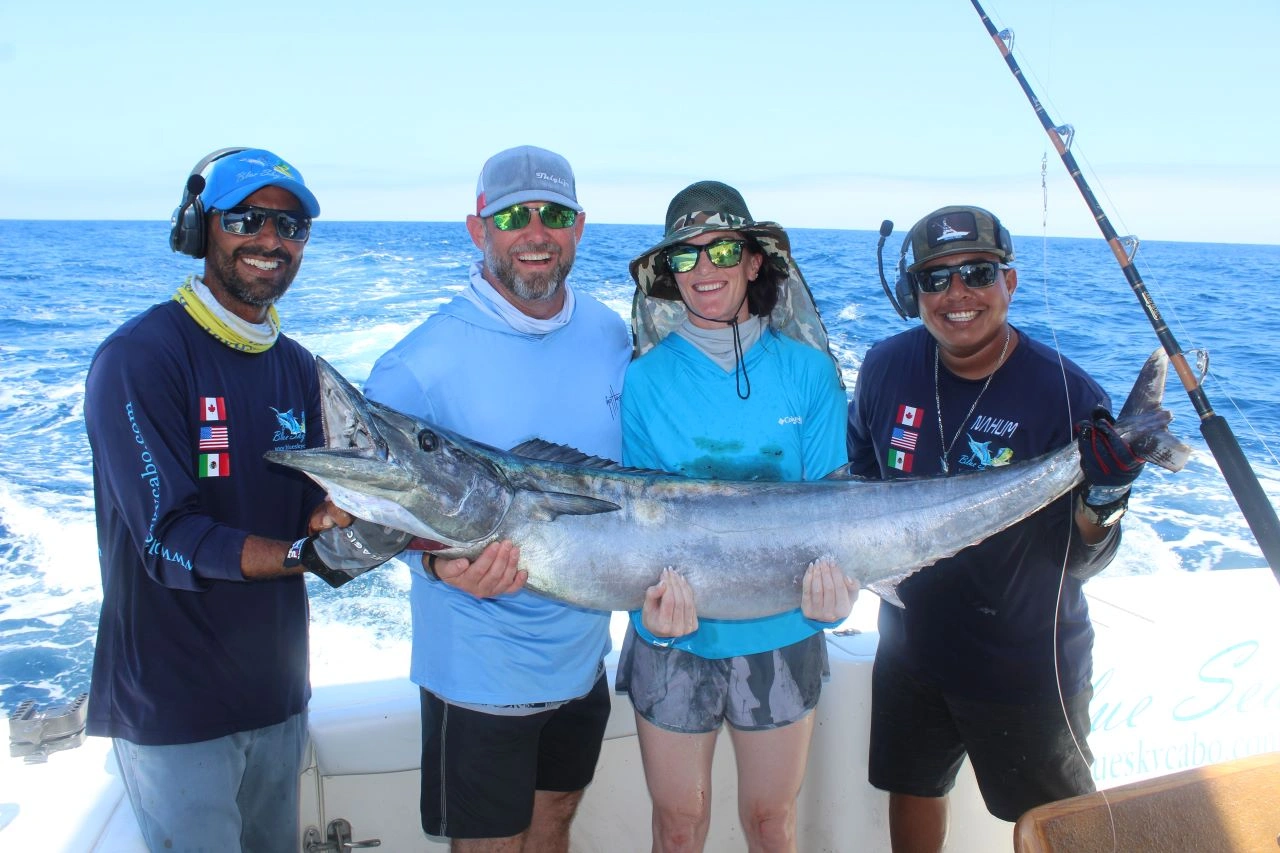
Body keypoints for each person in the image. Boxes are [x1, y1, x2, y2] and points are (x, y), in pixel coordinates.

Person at [83, 147, 374, 852]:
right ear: (200, 226)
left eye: (293, 226)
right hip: (173, 707)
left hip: (277, 696)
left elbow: (328, 501)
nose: (271, 239)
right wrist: (306, 554)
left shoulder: (301, 368)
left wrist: (342, 518)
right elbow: (166, 535)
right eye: (248, 217)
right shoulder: (139, 358)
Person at [847, 205, 1148, 851]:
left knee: (1055, 825)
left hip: (1024, 666)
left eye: (977, 271)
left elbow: (1086, 559)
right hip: (909, 647)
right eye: (935, 278)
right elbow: (861, 492)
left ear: (1008, 282)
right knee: (914, 787)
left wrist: (1108, 493)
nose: (956, 294)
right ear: (913, 294)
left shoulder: (1066, 393)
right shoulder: (883, 367)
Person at [363, 145, 630, 852]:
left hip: (582, 657)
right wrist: (434, 565)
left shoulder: (611, 334)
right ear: (477, 227)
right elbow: (366, 508)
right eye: (512, 215)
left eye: (554, 215)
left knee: (557, 820)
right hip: (478, 671)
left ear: (579, 227)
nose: (534, 231)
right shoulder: (417, 366)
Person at [618, 181, 858, 853]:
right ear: (668, 275)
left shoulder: (810, 374)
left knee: (771, 825)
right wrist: (649, 616)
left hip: (784, 630)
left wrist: (834, 596)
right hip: (673, 640)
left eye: (722, 248)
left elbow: (837, 515)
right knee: (677, 827)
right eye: (686, 256)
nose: (705, 269)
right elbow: (638, 519)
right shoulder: (643, 380)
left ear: (755, 260)